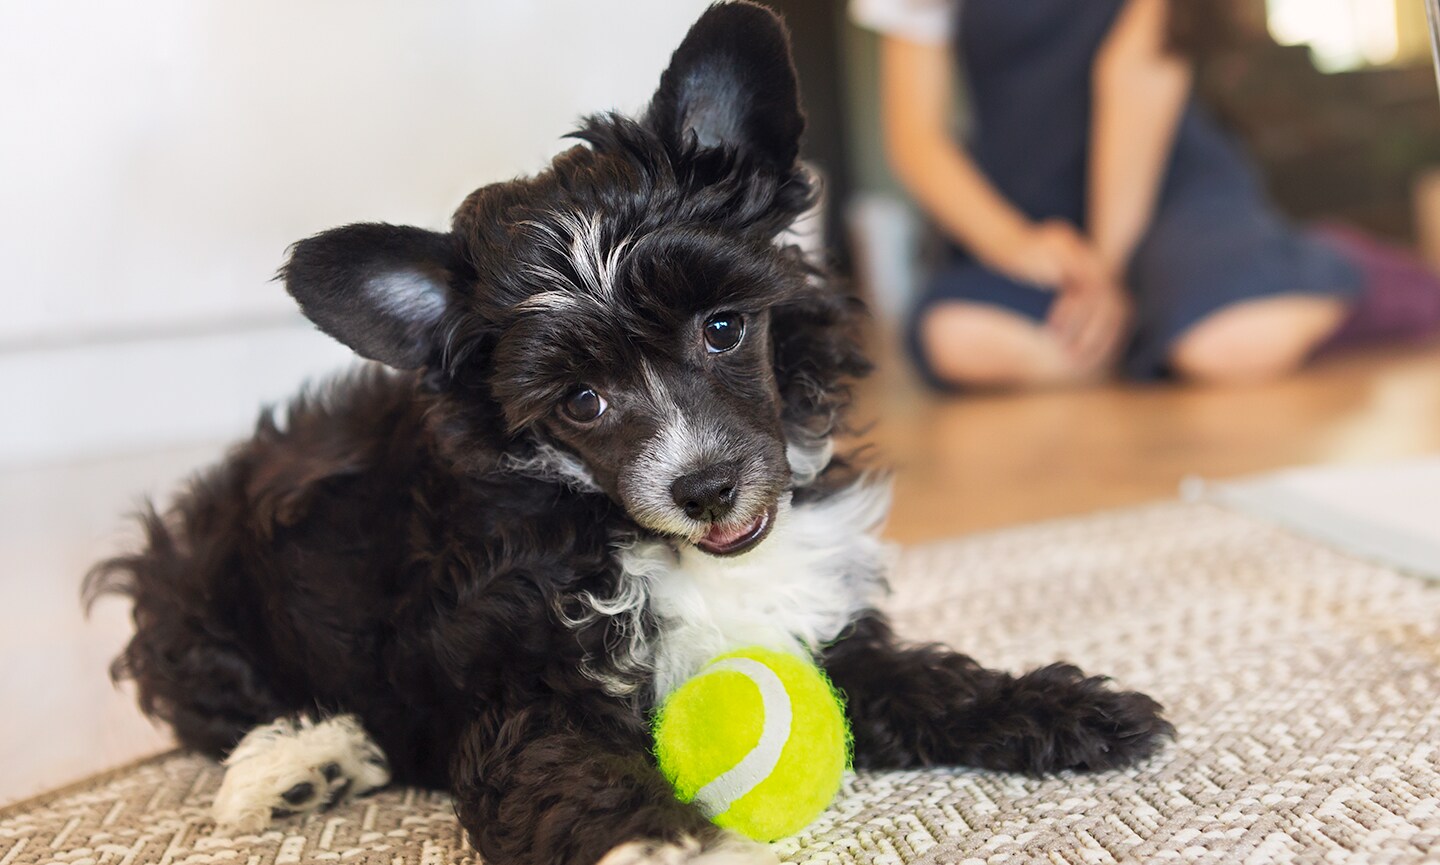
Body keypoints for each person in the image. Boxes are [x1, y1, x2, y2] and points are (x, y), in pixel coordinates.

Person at [853, 0, 1440, 389]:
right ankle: (1157, 329)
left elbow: (1135, 73)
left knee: (1228, 348)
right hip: (1027, 211)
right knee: (958, 337)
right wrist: (1012, 241)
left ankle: (1345, 270)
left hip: (1166, 180)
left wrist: (1108, 269)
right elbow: (916, 135)